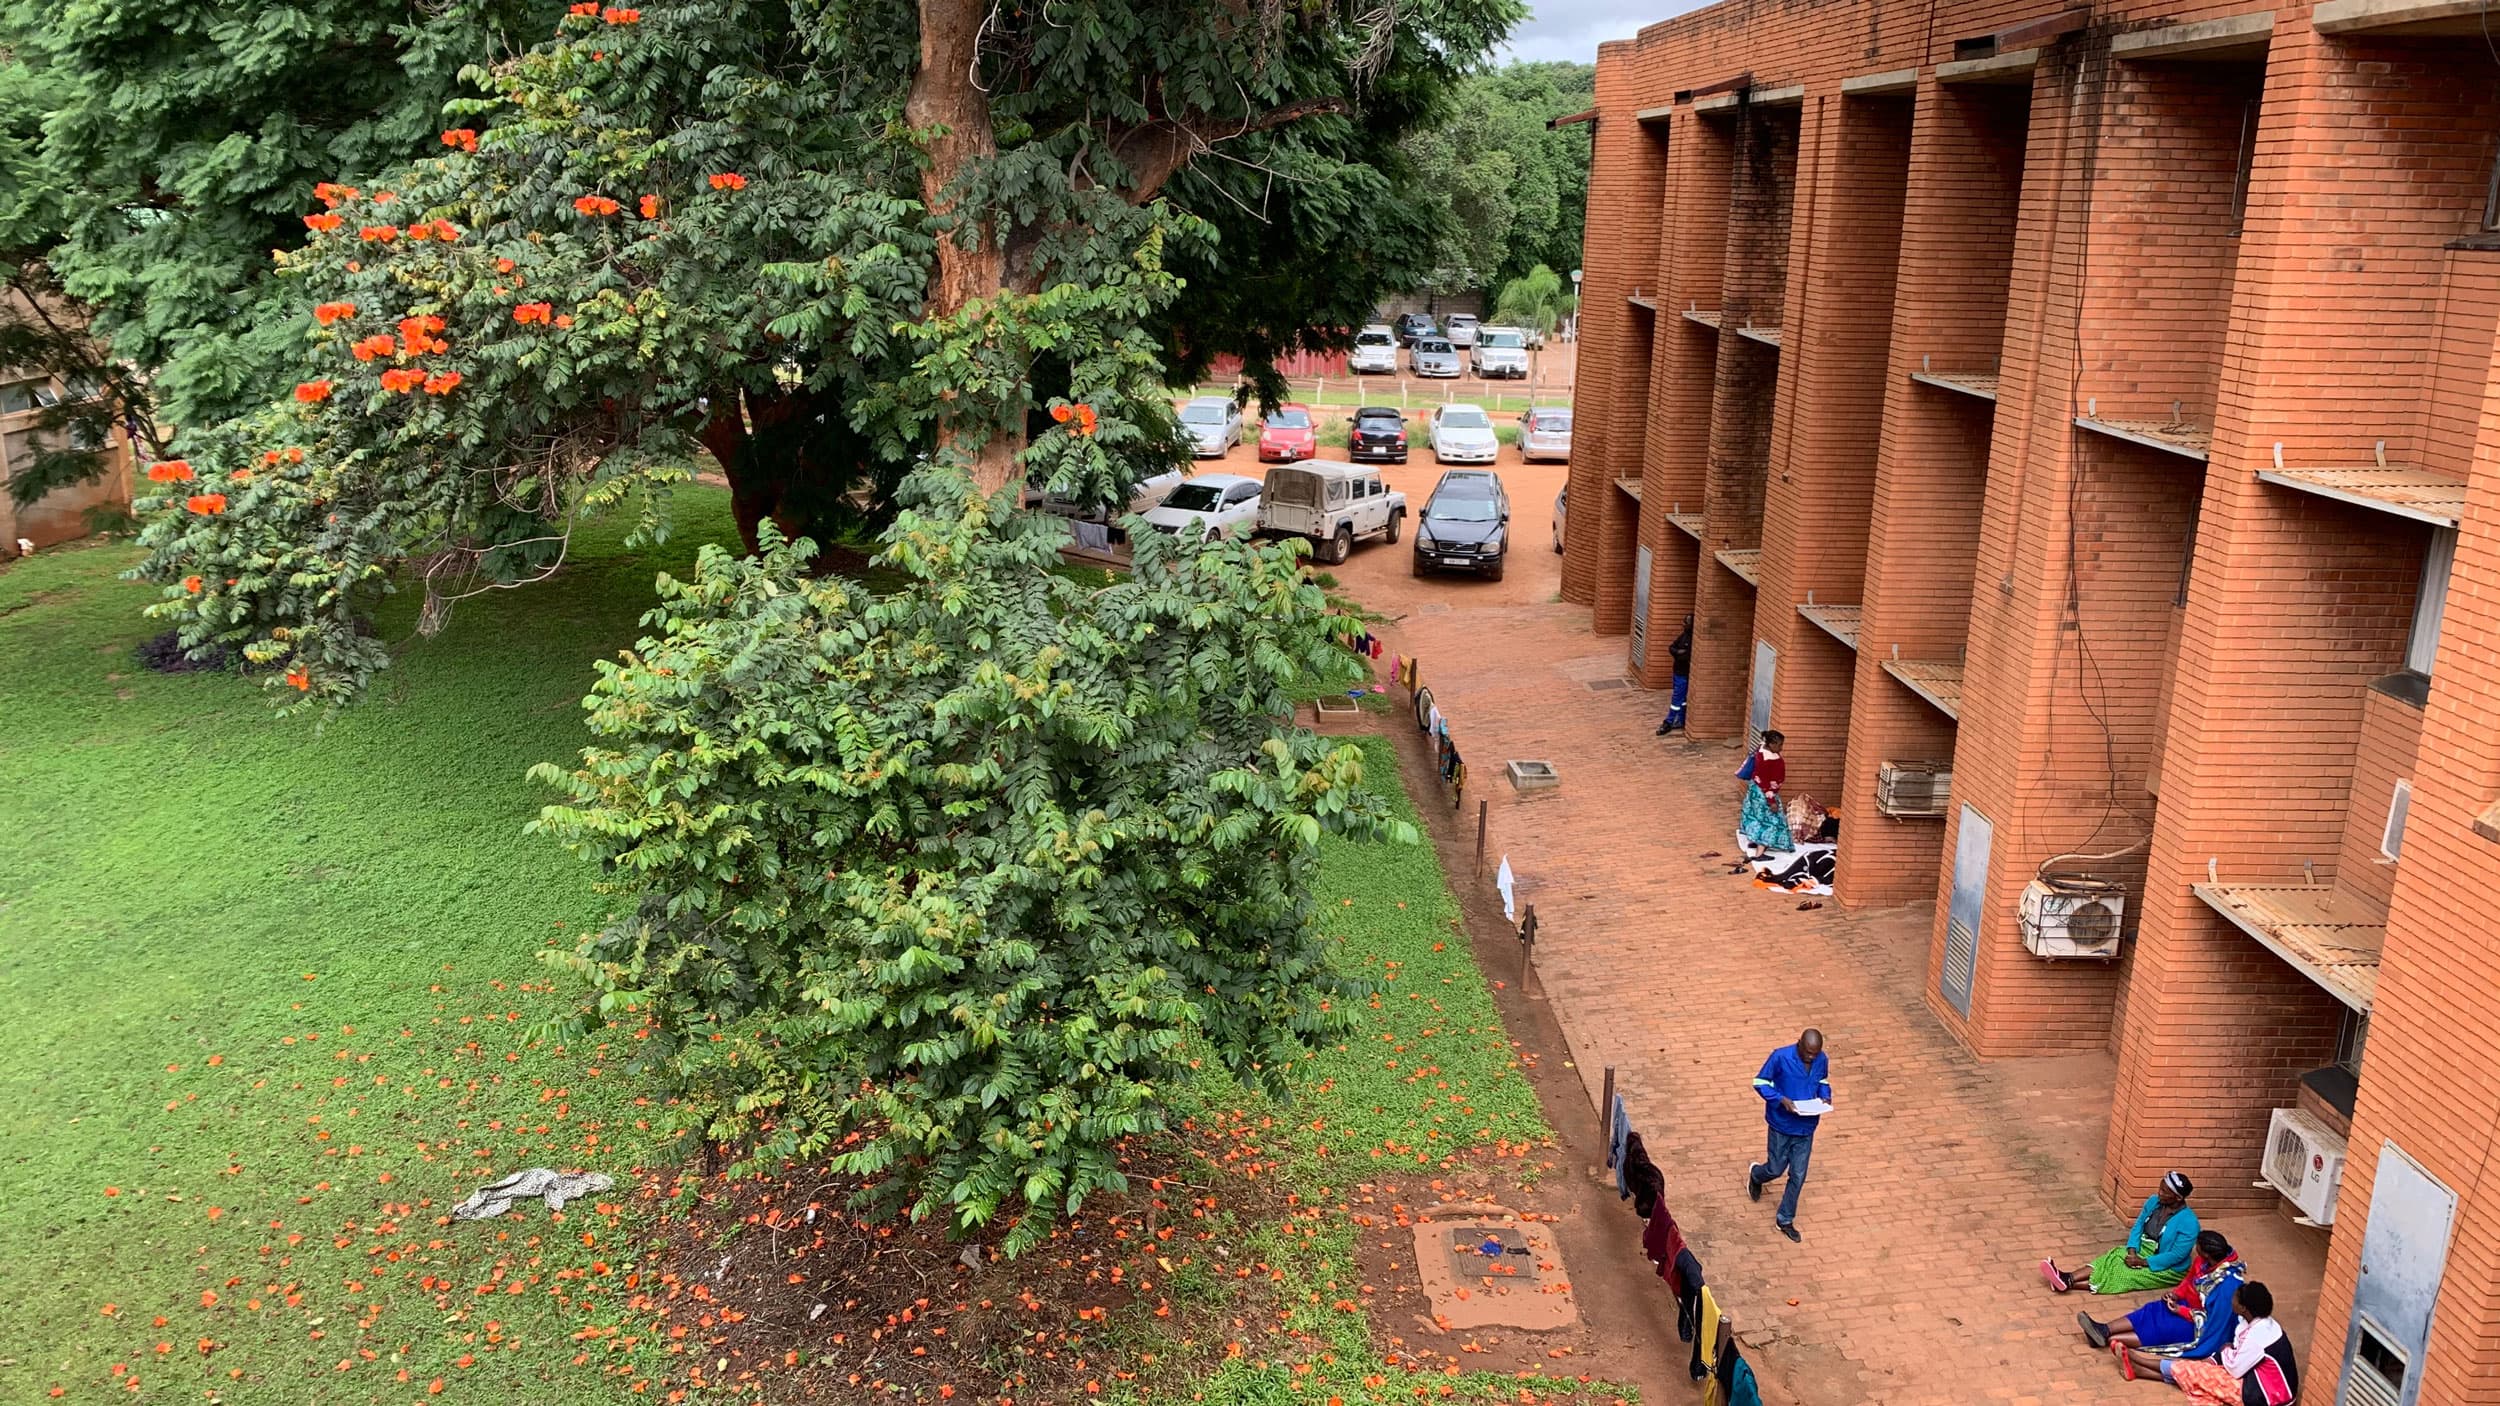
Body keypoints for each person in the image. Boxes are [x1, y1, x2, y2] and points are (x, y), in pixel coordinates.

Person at [2122, 1280, 2298, 1401]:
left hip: (2268, 1397)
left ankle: (2140, 1362)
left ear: (2243, 1308)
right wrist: (2218, 1356)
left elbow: (2235, 1369)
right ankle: (2140, 1371)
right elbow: (2236, 1354)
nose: (2231, 1301)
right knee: (2200, 1370)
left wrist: (2224, 1352)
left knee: (2199, 1375)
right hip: (2259, 1380)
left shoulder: (2257, 1337)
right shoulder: (2258, 1323)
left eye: (2234, 1299)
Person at [2079, 1231, 2243, 1359]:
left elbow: (2212, 1320)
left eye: (2197, 1246)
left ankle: (2107, 1338)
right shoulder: (2202, 1262)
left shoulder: (2227, 1285)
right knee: (2152, 1310)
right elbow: (2188, 1281)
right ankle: (2104, 1329)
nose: (2195, 1248)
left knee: (2162, 1328)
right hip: (2186, 1305)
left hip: (2200, 1326)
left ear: (2206, 1253)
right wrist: (2175, 1294)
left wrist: (2181, 1311)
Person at [2043, 1170, 2200, 1294]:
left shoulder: (2190, 1223)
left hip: (2167, 1266)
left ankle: (2068, 1284)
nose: (2160, 1193)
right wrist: (2132, 1251)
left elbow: (2176, 1256)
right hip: (2143, 1249)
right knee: (2113, 1257)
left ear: (2178, 1198)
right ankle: (2068, 1277)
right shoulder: (2154, 1202)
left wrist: (2142, 1262)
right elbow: (2138, 1226)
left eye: (2165, 1192)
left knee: (2124, 1275)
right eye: (2160, 1188)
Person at [1745, 1028, 1829, 1242]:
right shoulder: (1780, 1057)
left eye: (1815, 1053)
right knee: (1775, 1168)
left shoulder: (1821, 1059)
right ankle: (1756, 1175)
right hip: (1781, 1125)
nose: (1811, 1057)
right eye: (1808, 1052)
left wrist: (1825, 1097)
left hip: (1806, 1126)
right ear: (1799, 1044)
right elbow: (1760, 1082)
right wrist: (1781, 1100)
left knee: (1798, 1175)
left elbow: (1823, 1081)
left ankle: (1785, 1219)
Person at [1738, 729, 1793, 852]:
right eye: (1779, 745)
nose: (1781, 748)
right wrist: (1771, 801)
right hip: (1764, 794)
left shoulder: (1762, 750)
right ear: (1771, 744)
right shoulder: (1766, 759)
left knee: (1756, 817)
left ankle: (1756, 841)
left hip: (1757, 791)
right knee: (1769, 821)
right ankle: (1760, 852)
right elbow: (1764, 781)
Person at [1655, 615, 1694, 735]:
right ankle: (1681, 720)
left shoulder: (1692, 639)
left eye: (1686, 622)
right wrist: (1677, 652)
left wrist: (1678, 653)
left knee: (1677, 698)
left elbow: (1685, 657)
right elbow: (1671, 647)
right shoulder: (1683, 635)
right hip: (1677, 672)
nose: (1683, 624)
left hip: (1684, 674)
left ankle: (1669, 722)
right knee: (1681, 698)